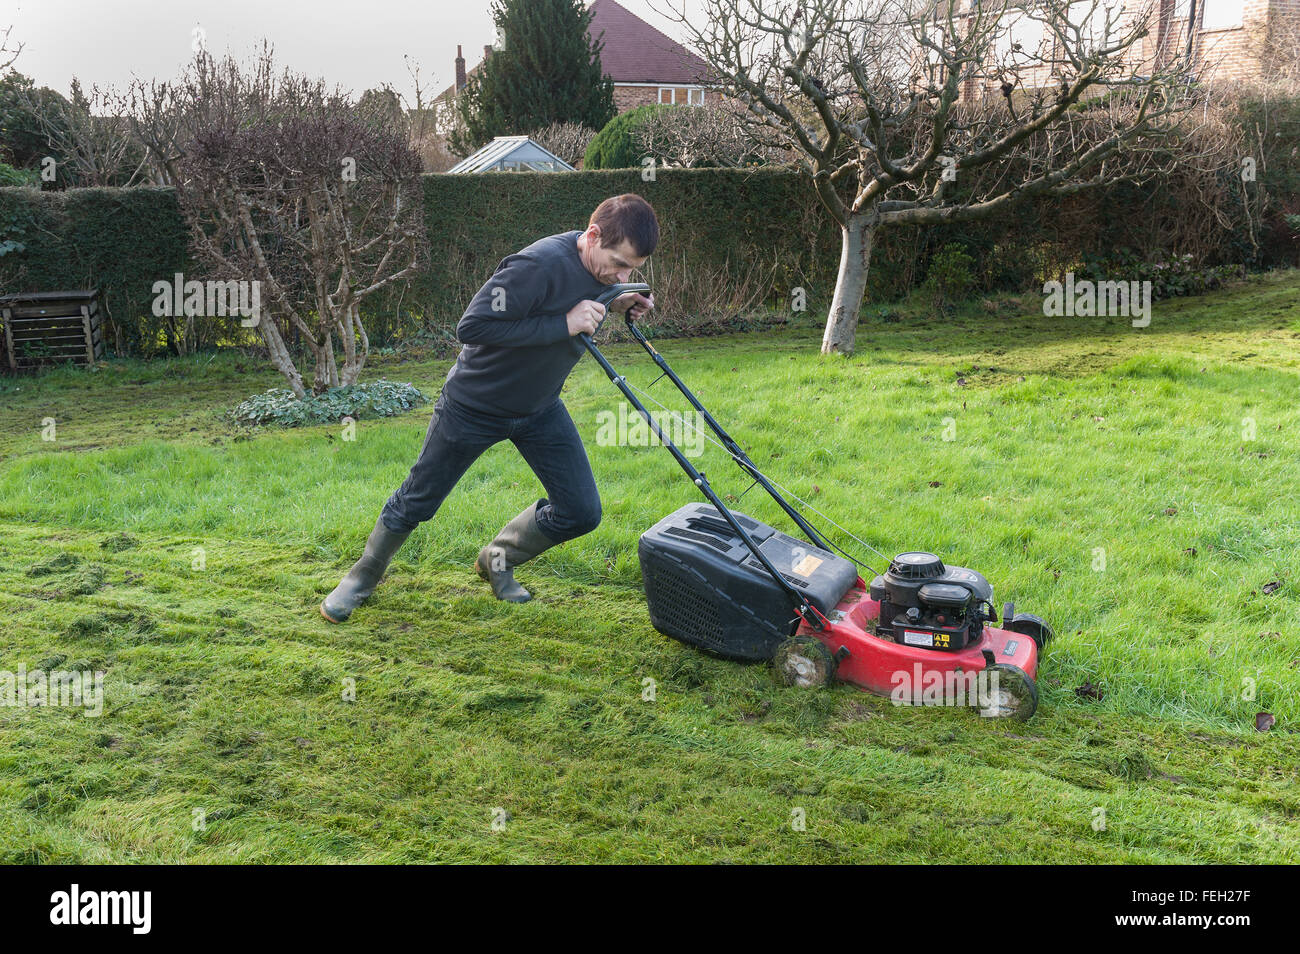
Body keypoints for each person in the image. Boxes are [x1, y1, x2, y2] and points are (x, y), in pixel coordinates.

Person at [320, 194, 658, 623]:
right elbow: (473, 326)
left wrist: (620, 297)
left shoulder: (603, 270)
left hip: (539, 408)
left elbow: (596, 288)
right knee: (418, 500)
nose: (622, 274)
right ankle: (361, 577)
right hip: (474, 406)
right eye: (618, 263)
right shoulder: (535, 265)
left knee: (581, 511)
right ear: (592, 236)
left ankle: (497, 560)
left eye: (632, 270)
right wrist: (563, 324)